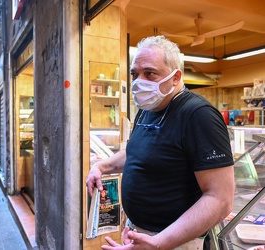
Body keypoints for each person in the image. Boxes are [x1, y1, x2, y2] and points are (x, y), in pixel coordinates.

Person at [86, 35, 235, 250]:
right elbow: (138, 151)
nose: (139, 82)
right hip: (139, 233)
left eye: (150, 73)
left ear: (176, 77)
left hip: (174, 241)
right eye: (134, 74)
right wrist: (102, 166)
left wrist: (158, 243)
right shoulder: (148, 108)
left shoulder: (198, 114)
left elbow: (220, 199)